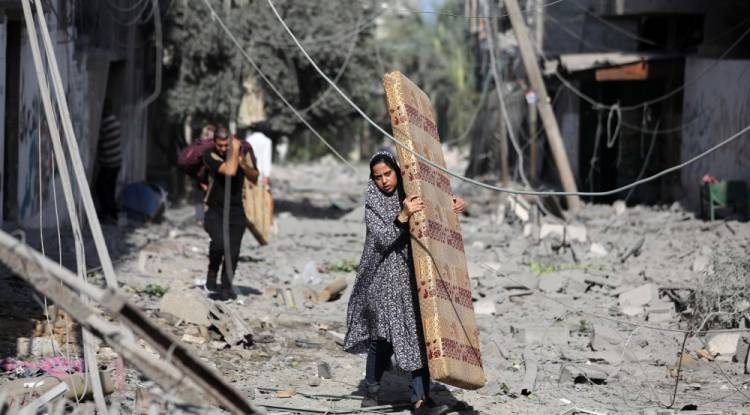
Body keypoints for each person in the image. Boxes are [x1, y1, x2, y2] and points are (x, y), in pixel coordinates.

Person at [344, 151, 465, 415]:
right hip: (381, 280)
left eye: (387, 174)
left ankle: (421, 399)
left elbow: (433, 214)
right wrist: (403, 215)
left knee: (418, 335)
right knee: (382, 338)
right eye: (378, 177)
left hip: (411, 278)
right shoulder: (373, 202)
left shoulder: (410, 193)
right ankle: (372, 389)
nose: (384, 181)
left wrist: (451, 206)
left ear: (397, 172)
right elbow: (383, 239)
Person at [202, 127, 259, 300]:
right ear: (214, 143)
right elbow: (230, 171)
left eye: (226, 145)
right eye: (219, 145)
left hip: (236, 210)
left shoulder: (243, 154)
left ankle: (226, 287)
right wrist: (234, 148)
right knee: (219, 243)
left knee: (232, 251)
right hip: (214, 209)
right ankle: (212, 270)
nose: (223, 149)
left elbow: (254, 176)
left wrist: (244, 164)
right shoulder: (209, 155)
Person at [95, 103, 122, 224]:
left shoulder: (106, 123)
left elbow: (98, 138)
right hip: (115, 162)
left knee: (103, 188)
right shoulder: (115, 121)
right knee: (108, 188)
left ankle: (110, 214)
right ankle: (111, 213)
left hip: (109, 163)